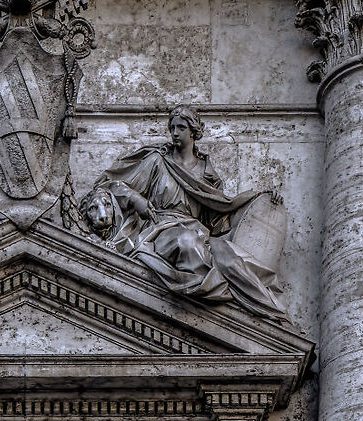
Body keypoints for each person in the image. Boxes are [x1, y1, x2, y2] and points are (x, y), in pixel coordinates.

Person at [85, 106, 288, 320]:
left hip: (200, 232)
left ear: (193, 131)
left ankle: (273, 312)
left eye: (181, 128)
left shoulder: (206, 174)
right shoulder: (157, 161)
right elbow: (110, 185)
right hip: (161, 229)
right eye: (172, 128)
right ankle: (212, 291)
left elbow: (218, 217)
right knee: (187, 242)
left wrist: (259, 200)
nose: (175, 133)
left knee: (232, 261)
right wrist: (136, 199)